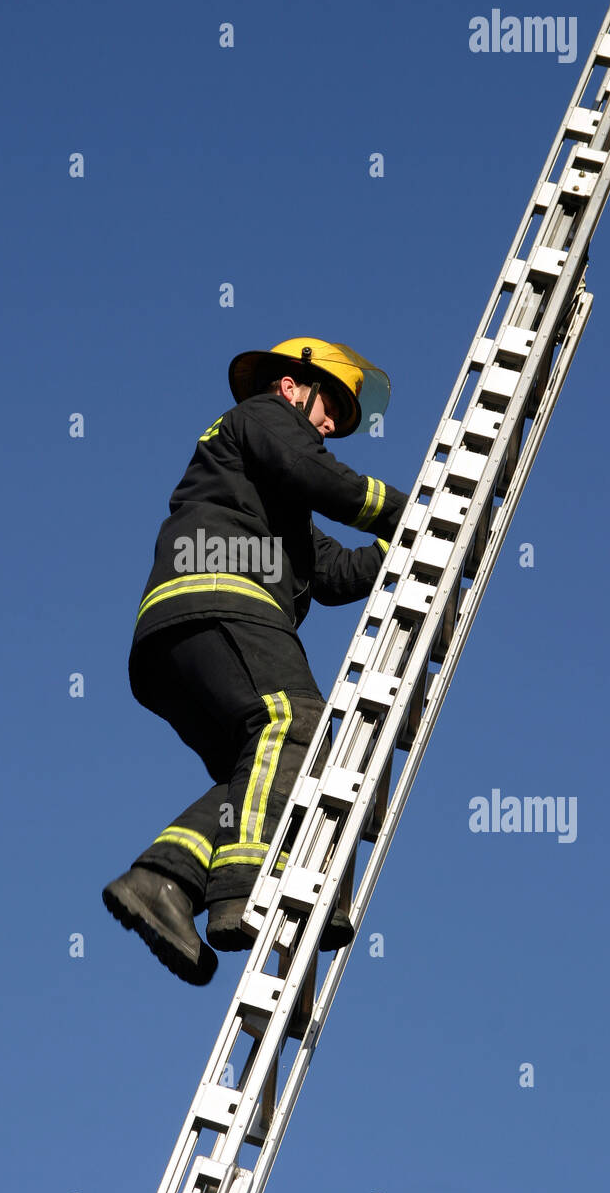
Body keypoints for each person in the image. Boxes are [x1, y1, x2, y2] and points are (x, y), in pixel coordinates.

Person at [103, 337, 408, 985]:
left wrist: (404, 549)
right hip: (222, 592)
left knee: (261, 778)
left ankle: (162, 880)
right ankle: (242, 885)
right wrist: (416, 509)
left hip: (182, 634)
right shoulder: (262, 419)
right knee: (296, 723)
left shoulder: (273, 495)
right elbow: (324, 476)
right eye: (331, 406)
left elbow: (330, 572)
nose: (330, 425)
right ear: (293, 385)